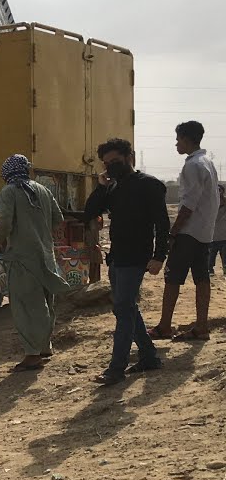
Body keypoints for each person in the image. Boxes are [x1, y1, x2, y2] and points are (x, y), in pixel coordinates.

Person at [83, 139, 170, 386]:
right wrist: (101, 187)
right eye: (107, 164)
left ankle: (116, 369)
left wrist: (159, 256)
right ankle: (149, 356)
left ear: (129, 157)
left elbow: (162, 224)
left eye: (115, 162)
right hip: (117, 257)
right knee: (127, 308)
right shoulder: (113, 188)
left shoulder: (149, 185)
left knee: (122, 309)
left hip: (137, 257)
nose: (111, 167)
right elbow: (90, 212)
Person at [0, 155, 73, 372]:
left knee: (25, 306)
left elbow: (4, 221)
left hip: (22, 258)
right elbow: (58, 218)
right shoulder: (41, 190)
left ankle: (32, 355)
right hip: (45, 256)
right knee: (45, 303)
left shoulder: (9, 191)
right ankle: (45, 347)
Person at [150, 121, 220, 341]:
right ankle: (201, 328)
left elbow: (188, 205)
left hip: (189, 232)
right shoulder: (207, 162)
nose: (176, 143)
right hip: (205, 231)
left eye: (178, 139)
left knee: (172, 279)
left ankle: (164, 326)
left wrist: (173, 233)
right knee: (201, 278)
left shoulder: (193, 165)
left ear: (187, 139)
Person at [211, 183, 226, 276]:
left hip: (224, 235)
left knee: (225, 255)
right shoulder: (210, 203)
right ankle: (210, 270)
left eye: (219, 190)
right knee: (211, 255)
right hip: (212, 235)